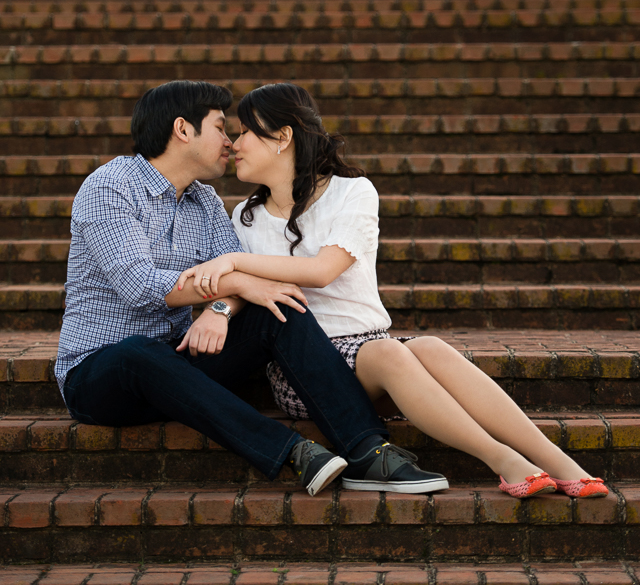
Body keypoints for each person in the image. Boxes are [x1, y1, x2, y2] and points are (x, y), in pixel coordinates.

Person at [177, 83, 608, 500]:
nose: (235, 143)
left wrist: (232, 262)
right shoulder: (246, 217)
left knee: (432, 348)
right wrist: (220, 306)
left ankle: (558, 461)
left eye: (247, 131)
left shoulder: (352, 192)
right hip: (303, 371)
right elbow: (242, 291)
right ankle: (504, 460)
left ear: (283, 137)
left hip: (371, 352)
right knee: (390, 353)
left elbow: (323, 270)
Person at [55, 79, 449, 498]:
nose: (230, 142)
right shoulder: (109, 187)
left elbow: (249, 286)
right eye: (221, 128)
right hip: (100, 375)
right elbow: (141, 286)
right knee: (137, 352)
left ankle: (368, 451)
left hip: (177, 361)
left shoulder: (204, 201)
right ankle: (295, 452)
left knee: (277, 307)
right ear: (183, 130)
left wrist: (220, 310)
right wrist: (240, 281)